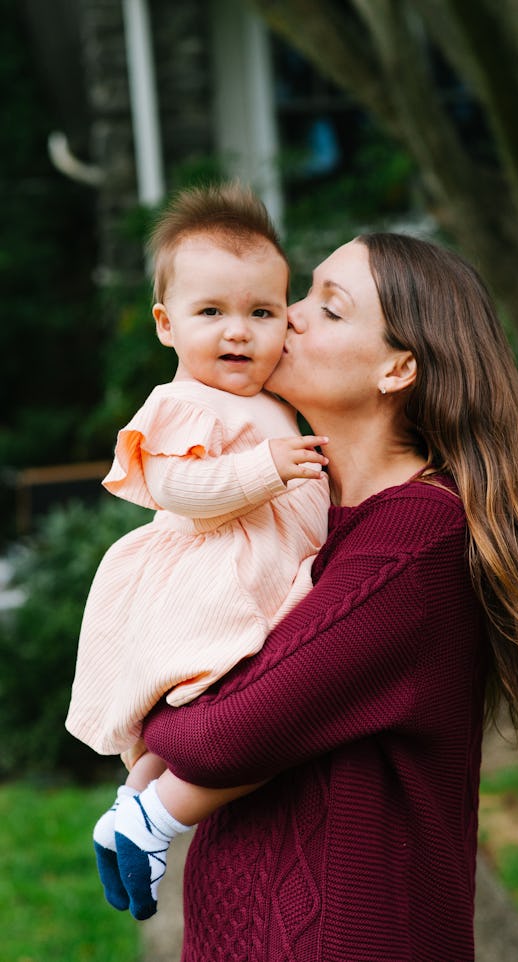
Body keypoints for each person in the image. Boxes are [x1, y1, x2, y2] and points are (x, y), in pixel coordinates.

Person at [123, 231, 518, 961]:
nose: (293, 314)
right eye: (305, 292)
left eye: (332, 309)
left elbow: (218, 734)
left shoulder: (417, 534)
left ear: (398, 368)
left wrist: (140, 687)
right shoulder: (300, 517)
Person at [65, 182, 330, 920]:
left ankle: (133, 812)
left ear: (287, 320)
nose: (238, 333)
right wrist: (263, 469)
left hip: (266, 567)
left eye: (261, 312)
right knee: (236, 707)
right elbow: (176, 485)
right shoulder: (186, 400)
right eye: (211, 313)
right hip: (216, 576)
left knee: (222, 710)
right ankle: (150, 818)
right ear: (166, 324)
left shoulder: (270, 395)